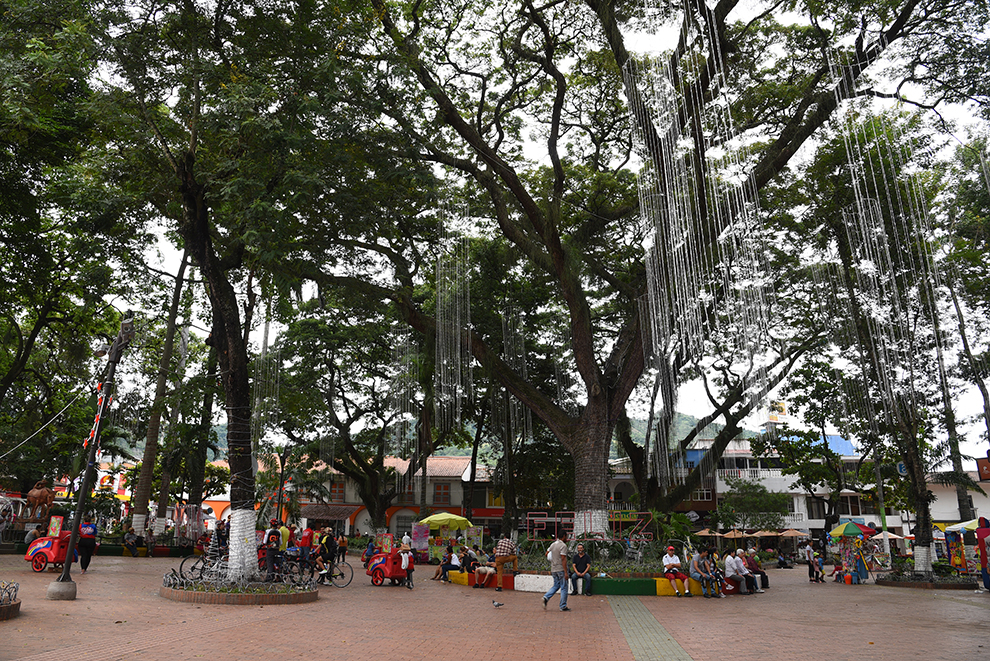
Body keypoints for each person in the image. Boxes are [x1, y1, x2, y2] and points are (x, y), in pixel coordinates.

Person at [542, 531, 570, 611]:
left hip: (553, 568)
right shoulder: (563, 546)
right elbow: (563, 558)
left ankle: (546, 597)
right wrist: (565, 572)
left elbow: (546, 553)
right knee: (564, 587)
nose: (567, 538)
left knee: (556, 585)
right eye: (566, 537)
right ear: (564, 536)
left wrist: (554, 559)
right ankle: (563, 606)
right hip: (560, 568)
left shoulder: (553, 544)